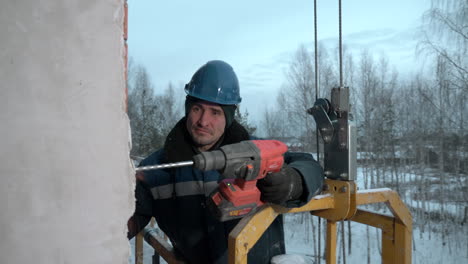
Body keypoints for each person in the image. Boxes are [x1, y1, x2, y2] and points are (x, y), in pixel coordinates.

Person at [127, 60, 324, 264]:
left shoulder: (259, 155)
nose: (203, 121)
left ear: (229, 116)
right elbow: (124, 219)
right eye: (197, 108)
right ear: (188, 108)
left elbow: (312, 168)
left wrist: (294, 181)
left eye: (215, 112)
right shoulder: (157, 169)